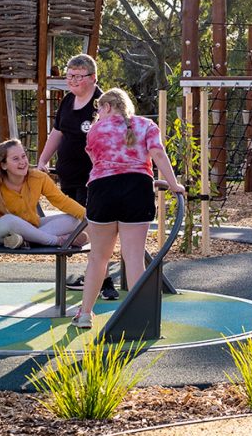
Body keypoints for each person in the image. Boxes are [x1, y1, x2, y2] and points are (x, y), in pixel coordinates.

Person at [71, 88, 185, 329]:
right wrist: (174, 184)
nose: (97, 114)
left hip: (102, 190)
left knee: (98, 258)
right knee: (133, 257)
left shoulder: (95, 131)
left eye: (98, 109)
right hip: (137, 189)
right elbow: (157, 154)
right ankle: (140, 317)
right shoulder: (145, 125)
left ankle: (85, 314)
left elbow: (97, 163)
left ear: (108, 107)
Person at [36, 54, 120, 300]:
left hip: (94, 178)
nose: (72, 80)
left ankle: (105, 282)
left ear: (93, 78)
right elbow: (58, 133)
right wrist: (43, 159)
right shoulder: (67, 102)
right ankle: (91, 275)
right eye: (69, 76)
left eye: (78, 76)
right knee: (76, 226)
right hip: (68, 176)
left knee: (94, 226)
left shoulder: (102, 104)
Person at [0, 139, 87, 249]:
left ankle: (24, 241)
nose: (22, 162)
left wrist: (87, 215)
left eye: (23, 156)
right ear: (3, 165)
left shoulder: (38, 178)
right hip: (5, 231)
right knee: (8, 220)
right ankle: (57, 240)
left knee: (73, 220)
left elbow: (61, 200)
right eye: (15, 159)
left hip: (33, 226)